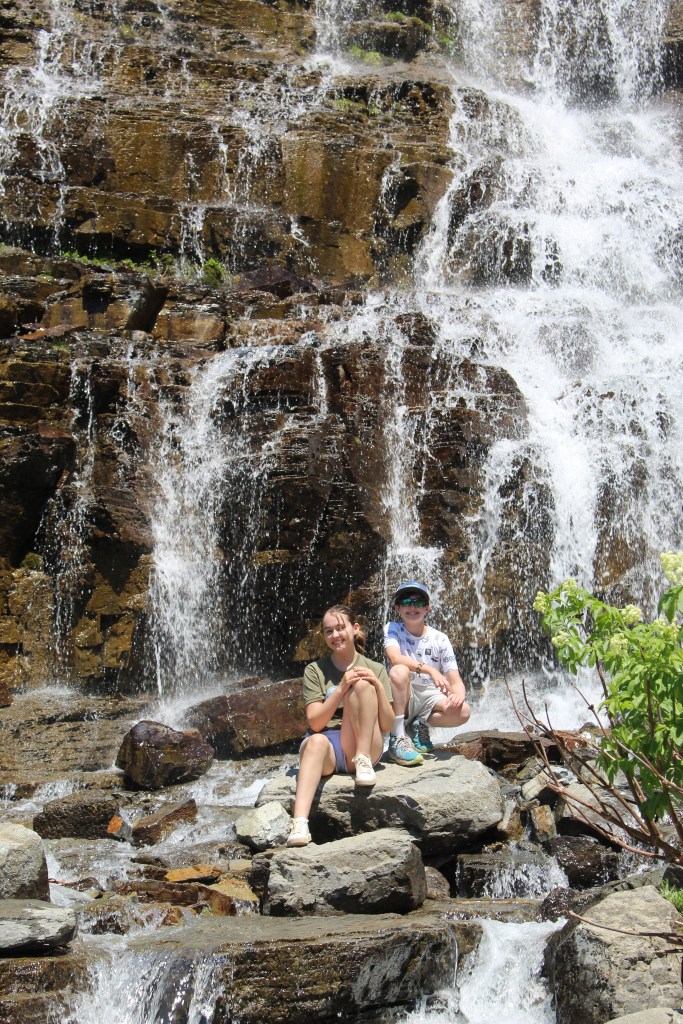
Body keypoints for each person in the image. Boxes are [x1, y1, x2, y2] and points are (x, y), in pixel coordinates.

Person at [287, 604, 395, 847]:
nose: (335, 635)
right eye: (329, 631)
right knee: (315, 741)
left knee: (363, 685)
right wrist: (342, 688)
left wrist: (377, 686)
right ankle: (300, 824)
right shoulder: (315, 670)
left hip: (362, 743)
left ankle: (363, 761)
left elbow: (387, 725)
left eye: (340, 628)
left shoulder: (376, 668)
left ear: (354, 628)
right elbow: (315, 723)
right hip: (328, 746)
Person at [384, 580, 470, 764]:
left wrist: (459, 696)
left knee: (463, 711)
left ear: (427, 608)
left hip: (430, 695)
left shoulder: (440, 639)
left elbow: (455, 681)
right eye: (406, 602)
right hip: (404, 693)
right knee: (398, 671)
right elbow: (395, 658)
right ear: (397, 608)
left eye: (418, 602)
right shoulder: (393, 628)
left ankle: (420, 723)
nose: (412, 607)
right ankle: (397, 738)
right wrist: (430, 670)